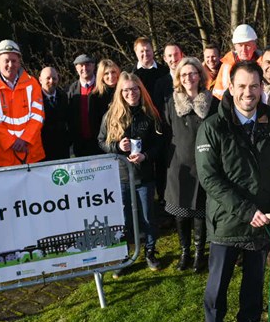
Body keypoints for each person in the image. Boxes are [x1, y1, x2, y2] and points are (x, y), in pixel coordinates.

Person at [196, 61, 270, 322]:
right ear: (231, 87)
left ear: (262, 87)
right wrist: (246, 210)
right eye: (242, 86)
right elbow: (210, 179)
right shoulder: (212, 127)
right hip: (227, 220)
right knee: (218, 283)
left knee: (254, 280)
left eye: (254, 86)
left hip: (263, 219)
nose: (248, 92)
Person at [98, 72, 164, 271]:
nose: (131, 93)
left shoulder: (150, 113)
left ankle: (150, 252)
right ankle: (124, 256)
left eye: (134, 89)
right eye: (126, 90)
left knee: (147, 217)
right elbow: (101, 141)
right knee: (124, 219)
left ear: (140, 90)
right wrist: (117, 146)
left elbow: (160, 143)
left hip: (144, 175)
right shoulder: (111, 115)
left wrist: (146, 156)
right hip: (121, 176)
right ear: (120, 92)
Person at [163, 57, 219, 272]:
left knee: (200, 212)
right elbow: (167, 130)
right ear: (179, 77)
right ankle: (185, 251)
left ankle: (198, 254)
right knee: (180, 212)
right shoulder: (171, 102)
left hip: (204, 164)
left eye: (193, 73)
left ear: (200, 75)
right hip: (179, 166)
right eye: (184, 74)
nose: (188, 77)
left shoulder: (211, 102)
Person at [0, 39, 45, 167]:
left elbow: (38, 115)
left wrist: (25, 139)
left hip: (30, 152)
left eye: (14, 61)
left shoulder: (32, 83)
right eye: (6, 61)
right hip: (1, 155)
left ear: (19, 61)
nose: (10, 64)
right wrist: (11, 142)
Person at [69, 55, 115, 158]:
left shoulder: (103, 87)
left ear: (94, 66)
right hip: (80, 144)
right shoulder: (72, 89)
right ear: (76, 68)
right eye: (81, 65)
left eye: (87, 65)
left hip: (102, 143)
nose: (84, 68)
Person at [211, 24, 261, 99]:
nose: (244, 50)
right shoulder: (226, 66)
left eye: (247, 45)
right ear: (235, 46)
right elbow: (218, 93)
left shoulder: (264, 64)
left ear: (254, 46)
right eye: (240, 45)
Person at [39, 66, 70, 161]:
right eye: (48, 78)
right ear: (40, 80)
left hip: (62, 149)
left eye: (54, 78)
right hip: (43, 150)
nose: (51, 81)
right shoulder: (35, 99)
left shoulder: (64, 96)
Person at [152, 43, 184, 117]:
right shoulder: (160, 84)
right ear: (165, 59)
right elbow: (159, 110)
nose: (173, 59)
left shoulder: (191, 79)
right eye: (170, 56)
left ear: (181, 55)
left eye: (176, 54)